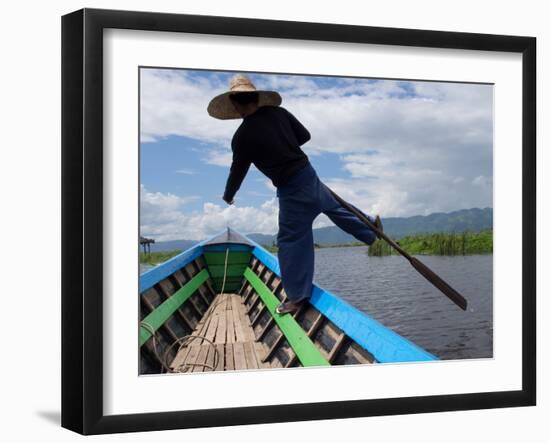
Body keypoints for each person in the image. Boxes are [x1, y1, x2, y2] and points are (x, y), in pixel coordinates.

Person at [207, 74, 382, 314]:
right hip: (308, 173)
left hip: (291, 187)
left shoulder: (242, 137)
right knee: (336, 209)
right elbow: (304, 136)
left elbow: (238, 170)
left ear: (236, 105)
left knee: (291, 240)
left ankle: (297, 297)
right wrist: (284, 142)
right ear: (256, 98)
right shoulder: (280, 114)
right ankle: (370, 227)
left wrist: (229, 195)